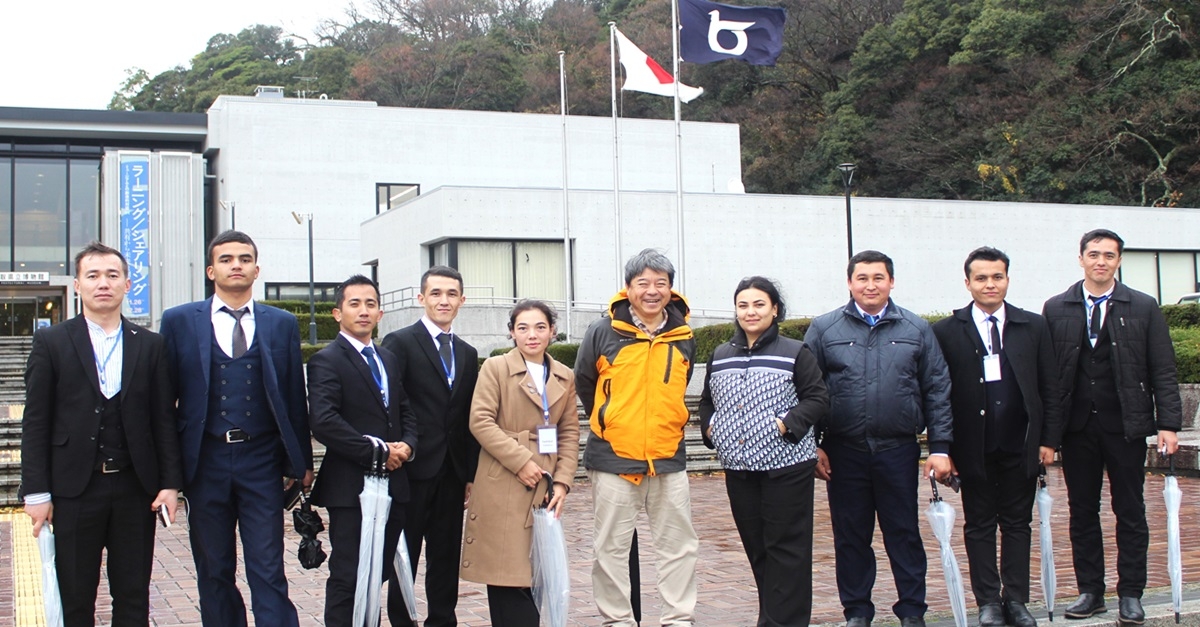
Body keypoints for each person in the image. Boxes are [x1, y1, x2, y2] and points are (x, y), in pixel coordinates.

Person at [20, 242, 182, 627]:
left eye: (112, 275)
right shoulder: (53, 342)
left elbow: (164, 419)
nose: (102, 283)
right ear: (77, 285)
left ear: (127, 284)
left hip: (135, 489)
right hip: (73, 490)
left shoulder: (151, 344)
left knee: (133, 596)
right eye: (92, 276)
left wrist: (171, 483)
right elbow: (35, 421)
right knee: (75, 597)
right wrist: (36, 492)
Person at [159, 230, 313, 627]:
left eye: (244, 259)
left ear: (256, 269)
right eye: (226, 259)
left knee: (268, 566)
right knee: (213, 569)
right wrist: (170, 474)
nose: (236, 265)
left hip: (261, 460)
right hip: (205, 460)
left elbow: (295, 397)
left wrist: (301, 463)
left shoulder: (280, 324)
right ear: (212, 270)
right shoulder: (178, 321)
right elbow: (163, 402)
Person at [803, 249, 953, 627]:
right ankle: (857, 610)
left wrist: (940, 448)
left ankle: (912, 610)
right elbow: (806, 389)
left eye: (878, 277)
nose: (871, 285)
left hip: (897, 449)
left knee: (903, 531)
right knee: (851, 535)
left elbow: (936, 389)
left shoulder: (916, 329)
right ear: (850, 282)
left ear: (892, 281)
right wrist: (813, 443)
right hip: (843, 450)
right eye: (863, 278)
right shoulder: (825, 329)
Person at [1042, 229, 1182, 624]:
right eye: (1093, 254)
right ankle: (1091, 590)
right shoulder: (1057, 308)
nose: (1100, 261)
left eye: (1109, 255)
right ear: (1081, 258)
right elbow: (1048, 377)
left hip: (1126, 425)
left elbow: (1163, 368)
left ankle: (1131, 593)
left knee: (1130, 510)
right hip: (1077, 427)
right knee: (1082, 510)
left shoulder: (1142, 306)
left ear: (1119, 260)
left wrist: (1168, 424)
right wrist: (1048, 435)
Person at [931, 247, 1063, 627]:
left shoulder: (1032, 326)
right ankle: (988, 600)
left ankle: (1017, 599)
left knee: (1018, 524)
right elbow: (937, 392)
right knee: (979, 524)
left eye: (997, 277)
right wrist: (943, 446)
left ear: (1007, 278)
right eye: (982, 278)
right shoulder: (946, 331)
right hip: (973, 447)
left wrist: (1049, 440)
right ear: (968, 282)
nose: (990, 284)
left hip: (1021, 443)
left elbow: (1049, 388)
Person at [575, 248, 699, 627]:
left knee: (679, 547)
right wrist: (611, 420)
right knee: (610, 549)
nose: (651, 291)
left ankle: (678, 618)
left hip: (667, 459)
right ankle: (618, 620)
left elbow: (680, 386)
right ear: (627, 289)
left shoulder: (683, 335)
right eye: (642, 283)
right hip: (614, 459)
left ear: (671, 289)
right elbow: (585, 382)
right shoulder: (603, 331)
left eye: (660, 283)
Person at [698, 276, 829, 627]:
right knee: (758, 549)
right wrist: (711, 430)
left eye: (759, 304)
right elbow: (708, 401)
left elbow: (817, 398)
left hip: (786, 467)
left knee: (787, 550)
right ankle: (771, 618)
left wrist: (786, 425)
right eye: (743, 305)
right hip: (739, 469)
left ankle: (784, 622)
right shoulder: (722, 354)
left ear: (774, 309)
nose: (750, 311)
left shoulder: (794, 352)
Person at [306, 275, 419, 627]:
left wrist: (408, 445)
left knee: (379, 573)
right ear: (337, 313)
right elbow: (323, 420)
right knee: (349, 575)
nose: (363, 310)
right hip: (351, 487)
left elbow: (404, 411)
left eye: (370, 304)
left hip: (394, 485)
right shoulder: (326, 360)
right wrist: (377, 451)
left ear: (381, 312)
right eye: (354, 304)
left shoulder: (387, 357)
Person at [460, 300, 580, 625]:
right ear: (512, 332)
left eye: (540, 327)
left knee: (539, 574)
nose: (532, 335)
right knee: (507, 574)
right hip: (504, 480)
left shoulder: (564, 376)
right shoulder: (496, 368)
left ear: (552, 331)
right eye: (523, 327)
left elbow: (568, 432)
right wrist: (521, 460)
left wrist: (563, 482)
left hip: (545, 485)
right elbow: (480, 421)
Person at [380, 265, 480, 627]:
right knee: (404, 553)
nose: (444, 300)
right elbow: (391, 405)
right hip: (411, 468)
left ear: (462, 301)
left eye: (451, 294)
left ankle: (442, 620)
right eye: (436, 293)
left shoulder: (468, 354)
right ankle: (402, 620)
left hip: (452, 474)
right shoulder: (400, 342)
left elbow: (467, 417)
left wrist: (469, 473)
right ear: (421, 298)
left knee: (445, 556)